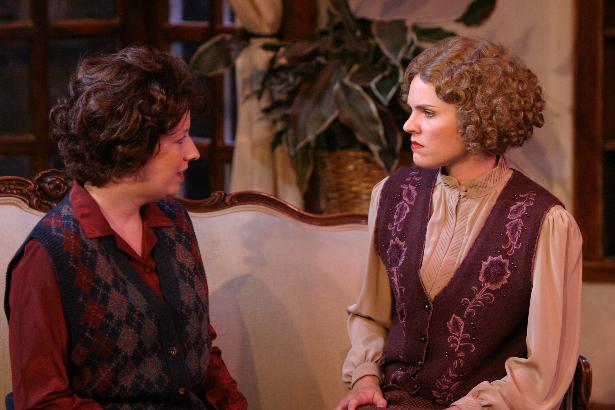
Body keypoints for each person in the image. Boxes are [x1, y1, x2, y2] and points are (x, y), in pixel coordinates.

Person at [335, 36, 582, 410]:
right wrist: (365, 378)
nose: (409, 125)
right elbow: (371, 314)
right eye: (411, 110)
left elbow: (542, 372)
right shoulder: (391, 194)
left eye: (428, 113)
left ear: (478, 119)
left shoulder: (546, 222)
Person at [5, 46, 248, 409]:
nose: (192, 152)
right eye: (179, 139)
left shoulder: (174, 222)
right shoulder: (50, 255)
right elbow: (44, 401)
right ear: (132, 144)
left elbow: (200, 352)